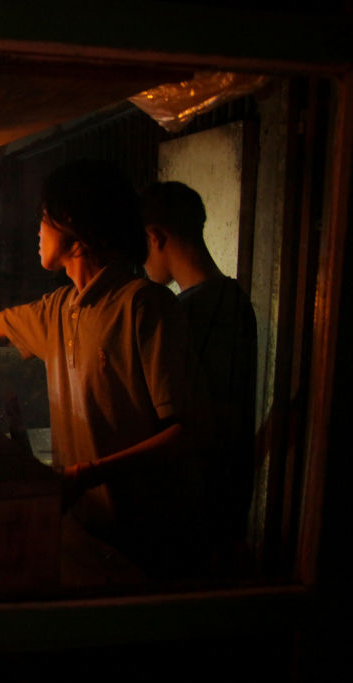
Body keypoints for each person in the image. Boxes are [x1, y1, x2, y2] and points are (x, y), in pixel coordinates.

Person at [0, 159, 197, 576]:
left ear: (76, 232)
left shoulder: (143, 307)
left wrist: (85, 475)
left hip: (143, 545)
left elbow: (184, 434)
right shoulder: (60, 309)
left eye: (44, 218)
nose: (37, 229)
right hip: (85, 531)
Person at [140, 180, 257, 572]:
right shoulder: (235, 299)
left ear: (154, 237)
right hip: (227, 504)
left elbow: (197, 423)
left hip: (198, 510)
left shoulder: (186, 313)